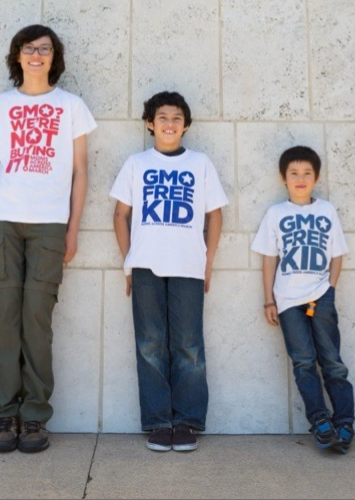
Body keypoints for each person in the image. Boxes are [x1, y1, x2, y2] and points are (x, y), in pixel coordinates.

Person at [0, 24, 96, 454]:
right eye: (29, 48)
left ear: (53, 58)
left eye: (44, 49)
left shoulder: (72, 106)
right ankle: (4, 414)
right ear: (18, 55)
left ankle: (34, 417)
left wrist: (72, 227)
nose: (36, 55)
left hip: (50, 225)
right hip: (5, 223)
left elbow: (80, 171)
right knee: (4, 320)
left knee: (37, 322)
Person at [110, 91, 228, 452]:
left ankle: (188, 421)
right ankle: (159, 422)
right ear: (150, 123)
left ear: (186, 125)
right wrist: (128, 262)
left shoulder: (200, 163)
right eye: (162, 117)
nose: (170, 123)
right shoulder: (137, 163)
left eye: (177, 118)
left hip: (189, 265)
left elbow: (215, 215)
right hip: (145, 265)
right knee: (150, 344)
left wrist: (208, 261)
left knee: (188, 345)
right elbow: (120, 215)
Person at [251, 146, 354, 454]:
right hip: (287, 301)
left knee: (332, 361)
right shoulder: (276, 214)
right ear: (284, 178)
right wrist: (269, 300)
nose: (300, 178)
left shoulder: (326, 210)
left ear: (316, 178)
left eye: (307, 173)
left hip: (321, 296)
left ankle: (344, 422)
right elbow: (269, 259)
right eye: (294, 173)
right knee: (304, 362)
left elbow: (337, 255)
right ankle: (320, 421)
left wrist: (330, 289)